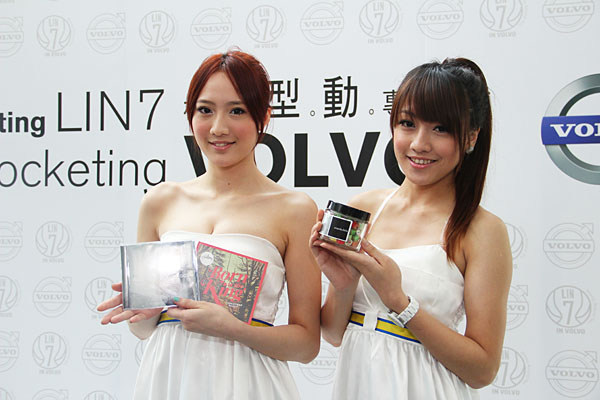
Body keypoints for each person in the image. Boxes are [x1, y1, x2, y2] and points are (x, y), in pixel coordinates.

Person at [98, 49, 321, 400]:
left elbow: (306, 344)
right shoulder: (160, 201)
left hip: (250, 384)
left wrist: (234, 329)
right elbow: (143, 330)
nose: (218, 128)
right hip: (169, 380)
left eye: (237, 111)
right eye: (205, 110)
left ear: (263, 117)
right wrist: (148, 309)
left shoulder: (294, 209)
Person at [310, 58, 512, 399]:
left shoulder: (482, 229)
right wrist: (343, 285)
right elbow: (332, 333)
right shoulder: (365, 208)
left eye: (440, 129)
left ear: (471, 137)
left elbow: (482, 370)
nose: (419, 143)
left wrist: (399, 301)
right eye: (407, 123)